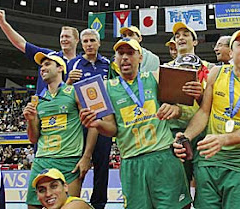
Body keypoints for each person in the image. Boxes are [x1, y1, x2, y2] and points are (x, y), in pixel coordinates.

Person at [80, 38, 195, 209]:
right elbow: (112, 129)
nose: (125, 57)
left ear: (140, 57)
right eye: (121, 53)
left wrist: (174, 109)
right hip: (132, 161)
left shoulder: (155, 78)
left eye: (130, 53)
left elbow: (182, 110)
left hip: (162, 156)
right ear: (115, 60)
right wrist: (97, 124)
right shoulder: (106, 88)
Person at [174, 27, 240, 208]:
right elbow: (204, 112)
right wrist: (187, 136)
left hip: (238, 165)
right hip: (207, 162)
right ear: (231, 52)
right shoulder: (217, 73)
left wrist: (223, 139)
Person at [23, 53, 97, 209]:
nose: (43, 68)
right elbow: (33, 138)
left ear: (60, 68)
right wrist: (30, 120)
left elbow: (93, 124)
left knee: (71, 206)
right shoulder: (38, 99)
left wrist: (86, 157)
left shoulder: (75, 92)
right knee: (32, 206)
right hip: (42, 159)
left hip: (69, 160)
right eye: (41, 66)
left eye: (47, 64)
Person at [66, 29, 111, 209]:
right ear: (81, 44)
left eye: (92, 40)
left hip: (104, 123)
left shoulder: (108, 64)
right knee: (79, 165)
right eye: (85, 41)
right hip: (81, 124)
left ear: (99, 43)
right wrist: (68, 81)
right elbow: (64, 92)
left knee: (102, 166)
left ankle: (99, 204)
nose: (89, 44)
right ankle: (75, 202)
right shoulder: (73, 64)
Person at [0, 9, 79, 95]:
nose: (63, 39)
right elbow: (21, 43)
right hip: (43, 105)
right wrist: (3, 23)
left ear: (77, 40)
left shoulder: (81, 62)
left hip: (68, 106)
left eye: (67, 37)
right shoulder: (49, 55)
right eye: (62, 37)